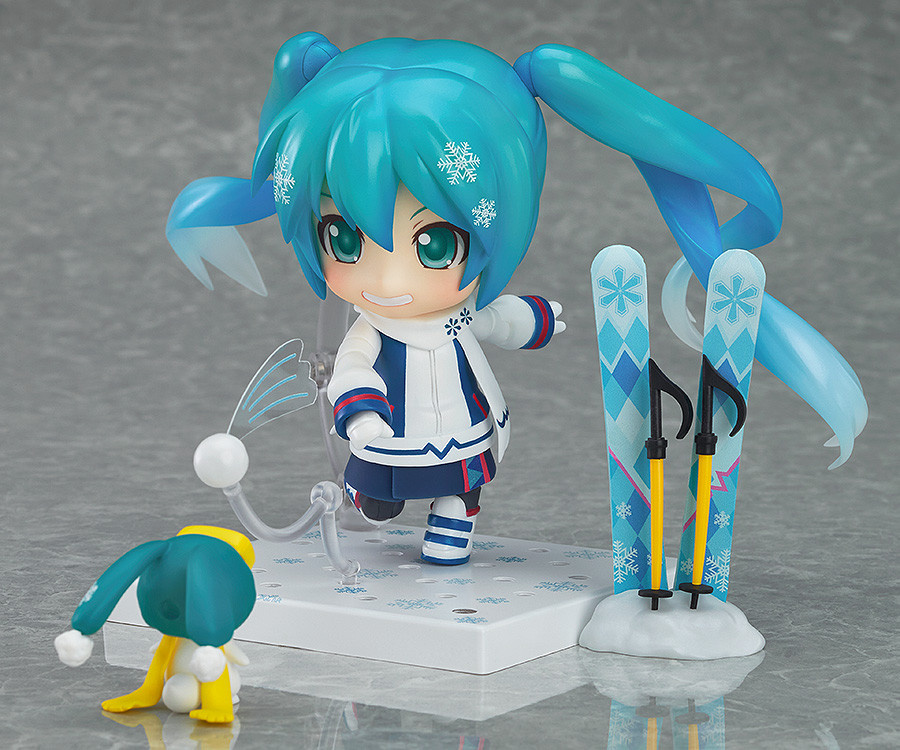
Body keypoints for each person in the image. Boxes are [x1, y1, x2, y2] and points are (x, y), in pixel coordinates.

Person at [167, 34, 866, 562]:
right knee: (376, 485)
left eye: (433, 244)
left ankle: (448, 530)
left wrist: (533, 319)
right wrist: (366, 418)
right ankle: (374, 497)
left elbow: (495, 322)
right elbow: (353, 371)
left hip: (463, 426)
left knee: (457, 494)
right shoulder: (369, 331)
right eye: (343, 239)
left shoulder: (460, 314)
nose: (388, 280)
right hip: (389, 434)